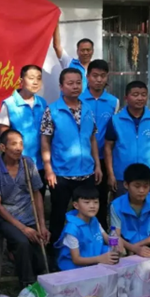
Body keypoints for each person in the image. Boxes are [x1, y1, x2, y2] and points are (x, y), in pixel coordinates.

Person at [41, 68, 103, 246]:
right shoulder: (52, 110)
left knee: (88, 212)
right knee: (58, 214)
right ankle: (56, 249)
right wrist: (48, 169)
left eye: (78, 83)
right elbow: (45, 141)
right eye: (70, 83)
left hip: (86, 172)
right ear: (61, 86)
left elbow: (92, 139)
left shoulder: (87, 108)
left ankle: (86, 247)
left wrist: (97, 166)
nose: (75, 86)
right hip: (62, 174)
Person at [0, 129, 50, 287]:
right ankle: (27, 284)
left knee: (41, 252)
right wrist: (23, 228)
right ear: (3, 147)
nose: (18, 148)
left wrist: (42, 225)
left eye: (21, 144)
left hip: (29, 215)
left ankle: (37, 275)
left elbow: (37, 194)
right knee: (23, 242)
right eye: (14, 144)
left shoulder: (28, 163)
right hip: (6, 219)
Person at [104, 80, 150, 197]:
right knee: (122, 206)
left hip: (149, 176)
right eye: (135, 95)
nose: (140, 98)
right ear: (126, 98)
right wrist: (111, 174)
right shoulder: (115, 120)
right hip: (122, 176)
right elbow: (108, 148)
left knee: (149, 206)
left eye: (143, 95)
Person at [81, 60, 120, 230]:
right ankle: (83, 232)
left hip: (105, 157)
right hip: (82, 158)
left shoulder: (113, 102)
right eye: (95, 75)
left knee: (101, 198)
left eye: (102, 76)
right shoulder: (78, 99)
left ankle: (102, 232)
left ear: (107, 77)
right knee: (83, 198)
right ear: (87, 77)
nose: (98, 79)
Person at [0, 65, 48, 197]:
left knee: (38, 199)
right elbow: (3, 134)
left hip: (40, 164)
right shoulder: (9, 104)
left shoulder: (43, 103)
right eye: (31, 78)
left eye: (38, 78)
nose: (35, 82)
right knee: (17, 201)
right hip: (17, 164)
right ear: (21, 81)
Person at [55, 186, 118, 271]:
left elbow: (106, 237)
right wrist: (100, 259)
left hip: (93, 256)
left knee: (112, 254)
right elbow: (76, 260)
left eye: (96, 202)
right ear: (76, 205)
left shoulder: (94, 220)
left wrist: (116, 244)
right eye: (87, 202)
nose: (92, 206)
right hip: (74, 267)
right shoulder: (72, 229)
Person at [52, 23, 93, 92]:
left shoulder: (95, 68)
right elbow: (57, 46)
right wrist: (56, 23)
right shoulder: (69, 62)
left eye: (88, 50)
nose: (85, 53)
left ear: (92, 51)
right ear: (77, 51)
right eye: (82, 50)